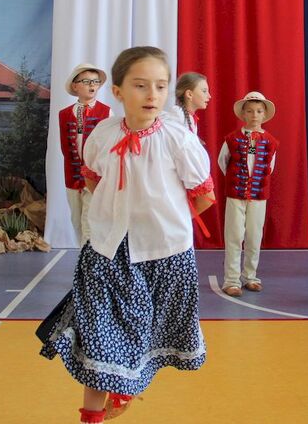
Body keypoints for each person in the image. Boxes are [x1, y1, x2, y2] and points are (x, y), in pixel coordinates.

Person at [38, 47, 216, 422]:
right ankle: (92, 417)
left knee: (139, 335)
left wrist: (165, 225)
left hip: (163, 254)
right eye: (140, 85)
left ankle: (124, 386)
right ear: (117, 92)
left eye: (161, 86)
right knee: (100, 337)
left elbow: (204, 195)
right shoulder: (102, 133)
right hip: (105, 250)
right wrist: (107, 221)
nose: (152, 94)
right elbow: (91, 179)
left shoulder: (176, 138)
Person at [218, 91, 279, 297]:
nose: (254, 115)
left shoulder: (270, 141)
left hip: (259, 196)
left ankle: (250, 276)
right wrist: (237, 181)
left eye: (259, 111)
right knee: (234, 236)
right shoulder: (232, 139)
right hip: (235, 195)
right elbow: (223, 162)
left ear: (264, 115)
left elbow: (270, 167)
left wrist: (255, 184)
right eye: (250, 111)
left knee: (254, 236)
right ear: (243, 114)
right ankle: (231, 279)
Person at [59, 63, 111, 246]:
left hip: (95, 176)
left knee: (89, 222)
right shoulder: (64, 114)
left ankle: (88, 263)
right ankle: (83, 258)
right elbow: (65, 147)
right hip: (72, 176)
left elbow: (108, 147)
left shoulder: (106, 112)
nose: (92, 85)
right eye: (87, 81)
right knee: (76, 220)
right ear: (75, 86)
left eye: (96, 82)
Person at [165, 71, 211, 138]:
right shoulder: (177, 116)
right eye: (204, 91)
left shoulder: (189, 118)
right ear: (189, 94)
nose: (209, 96)